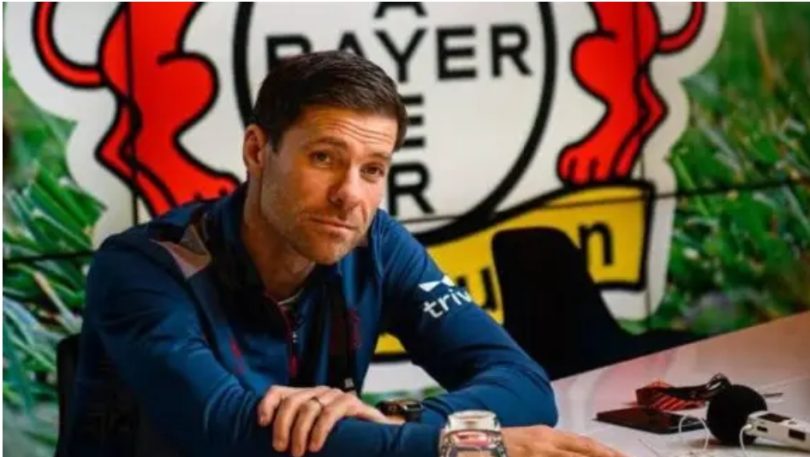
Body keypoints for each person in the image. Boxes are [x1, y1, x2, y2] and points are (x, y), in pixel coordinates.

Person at [65, 50, 625, 457]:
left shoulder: (374, 242)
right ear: (257, 150)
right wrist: (462, 444)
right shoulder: (144, 267)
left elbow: (522, 382)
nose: (350, 194)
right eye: (324, 158)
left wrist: (399, 421)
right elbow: (229, 433)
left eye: (372, 169)